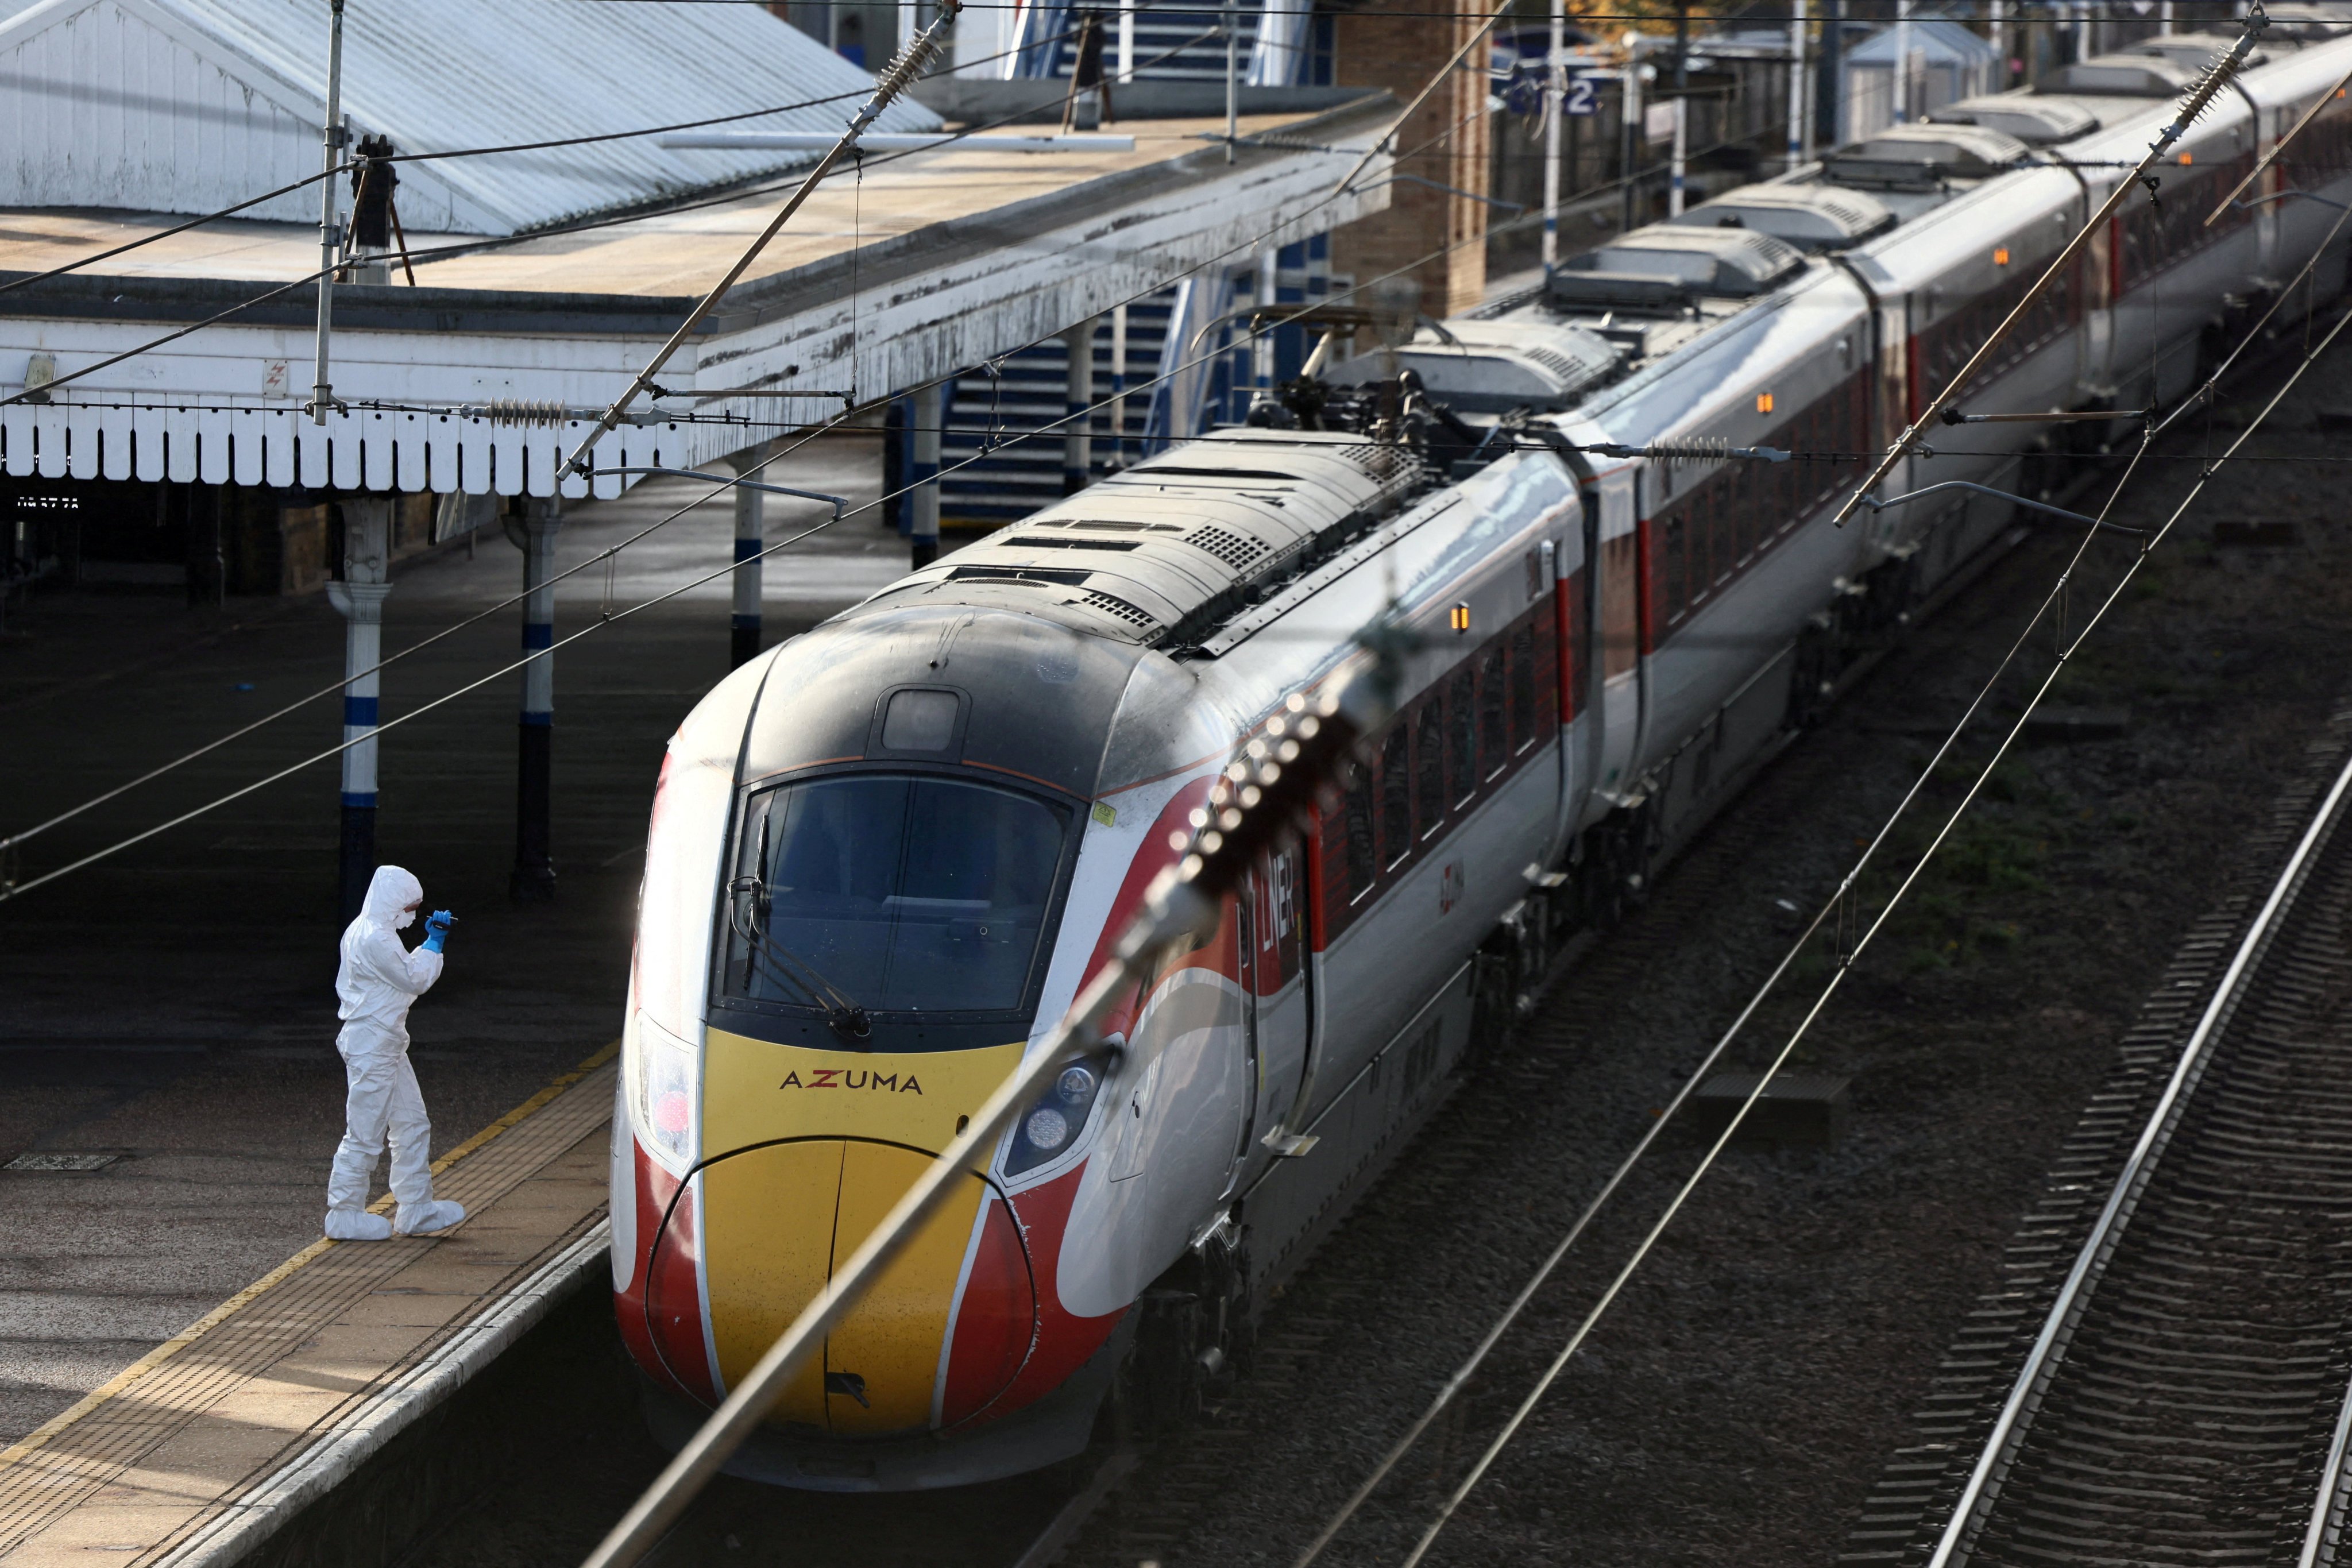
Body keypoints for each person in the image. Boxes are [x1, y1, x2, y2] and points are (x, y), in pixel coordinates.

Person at [325, 865, 466, 1240]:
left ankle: (416, 1207)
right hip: (373, 1044)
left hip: (383, 1041)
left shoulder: (371, 932)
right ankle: (344, 1212)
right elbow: (413, 979)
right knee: (365, 1132)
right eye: (410, 906)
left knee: (411, 1123)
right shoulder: (376, 939)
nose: (414, 914)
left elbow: (401, 976)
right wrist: (434, 944)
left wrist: (426, 946)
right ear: (393, 903)